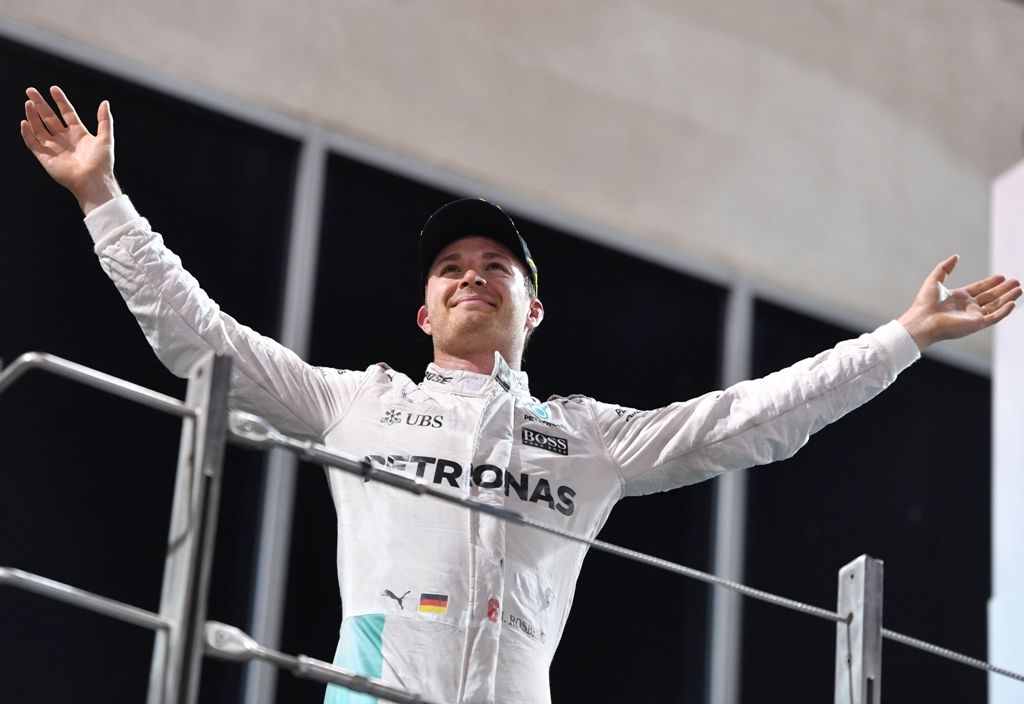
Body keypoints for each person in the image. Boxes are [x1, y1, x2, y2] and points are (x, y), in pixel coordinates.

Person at [20, 85, 1020, 704]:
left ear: (531, 310)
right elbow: (202, 340)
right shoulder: (353, 402)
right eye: (450, 265)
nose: (470, 274)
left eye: (496, 264)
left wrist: (904, 336)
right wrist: (102, 199)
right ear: (421, 314)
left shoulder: (588, 437)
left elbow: (754, 417)